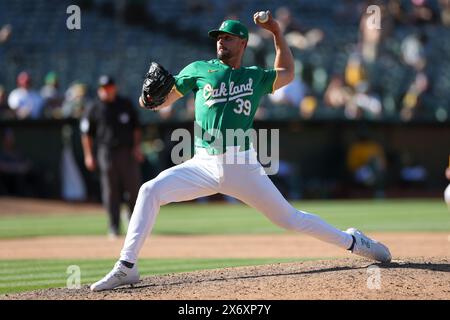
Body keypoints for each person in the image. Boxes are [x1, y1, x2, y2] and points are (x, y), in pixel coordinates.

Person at [90, 13, 391, 292]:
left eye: (228, 37)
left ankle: (354, 242)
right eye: (218, 37)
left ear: (243, 43)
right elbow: (160, 101)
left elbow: (286, 73)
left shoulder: (254, 76)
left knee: (290, 219)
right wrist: (147, 98)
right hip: (203, 164)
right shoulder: (199, 70)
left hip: (241, 165)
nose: (221, 40)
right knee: (149, 190)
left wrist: (276, 32)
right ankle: (127, 265)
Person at [80, 75, 144, 238]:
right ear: (99, 90)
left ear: (114, 88)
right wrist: (88, 155)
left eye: (108, 87)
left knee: (133, 188)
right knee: (110, 190)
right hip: (106, 152)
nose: (106, 91)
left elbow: (136, 128)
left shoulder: (125, 104)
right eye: (103, 88)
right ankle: (114, 226)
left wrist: (137, 147)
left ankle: (133, 221)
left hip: (127, 151)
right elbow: (86, 134)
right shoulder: (93, 107)